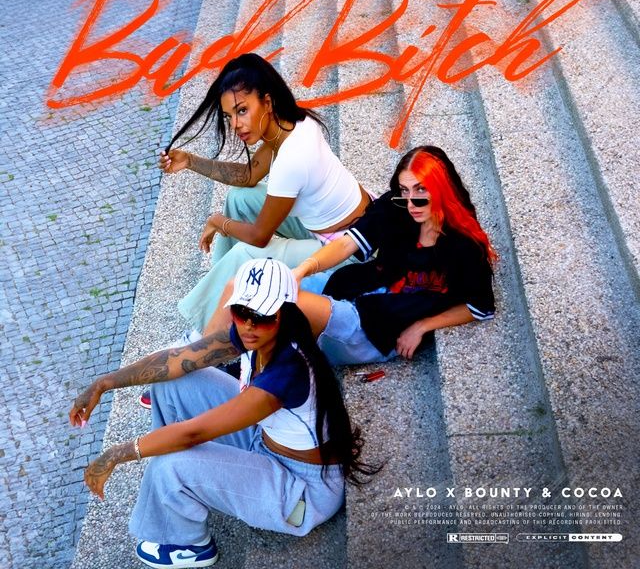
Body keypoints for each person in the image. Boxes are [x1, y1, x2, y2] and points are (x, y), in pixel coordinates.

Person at [70, 259, 375, 569]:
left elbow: (194, 433)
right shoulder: (258, 336)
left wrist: (115, 455)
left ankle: (190, 545)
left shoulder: (287, 370)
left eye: (262, 316)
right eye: (241, 312)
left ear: (284, 313)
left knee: (170, 466)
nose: (249, 325)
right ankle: (182, 489)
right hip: (266, 443)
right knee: (172, 383)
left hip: (302, 492)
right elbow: (177, 360)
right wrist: (104, 383)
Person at [160, 52, 372, 334]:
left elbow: (259, 237)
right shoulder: (292, 125)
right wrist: (190, 161)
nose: (235, 124)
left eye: (242, 110)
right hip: (331, 226)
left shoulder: (291, 159)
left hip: (349, 250)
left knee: (245, 253)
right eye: (229, 116)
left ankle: (207, 338)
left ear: (268, 103)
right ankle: (224, 295)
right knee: (238, 198)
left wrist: (217, 221)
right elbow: (248, 176)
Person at [282, 145, 498, 363]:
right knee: (278, 286)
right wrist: (304, 269)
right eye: (404, 190)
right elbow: (347, 244)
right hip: (355, 286)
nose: (411, 203)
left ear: (442, 188)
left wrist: (423, 325)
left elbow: (481, 307)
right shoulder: (397, 206)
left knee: (285, 304)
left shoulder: (464, 246)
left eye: (421, 190)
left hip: (375, 329)